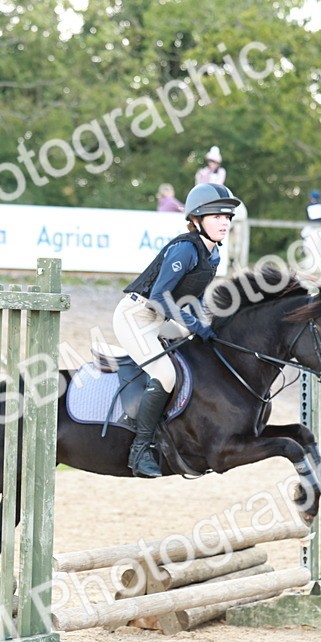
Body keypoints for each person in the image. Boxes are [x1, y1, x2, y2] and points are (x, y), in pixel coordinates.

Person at [112, 183, 241, 478]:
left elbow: (192, 299)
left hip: (157, 319)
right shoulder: (185, 248)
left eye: (227, 216)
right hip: (135, 317)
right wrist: (195, 324)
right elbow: (159, 298)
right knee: (165, 374)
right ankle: (140, 449)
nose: (224, 222)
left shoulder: (214, 256)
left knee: (193, 342)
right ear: (197, 219)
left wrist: (206, 326)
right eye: (216, 215)